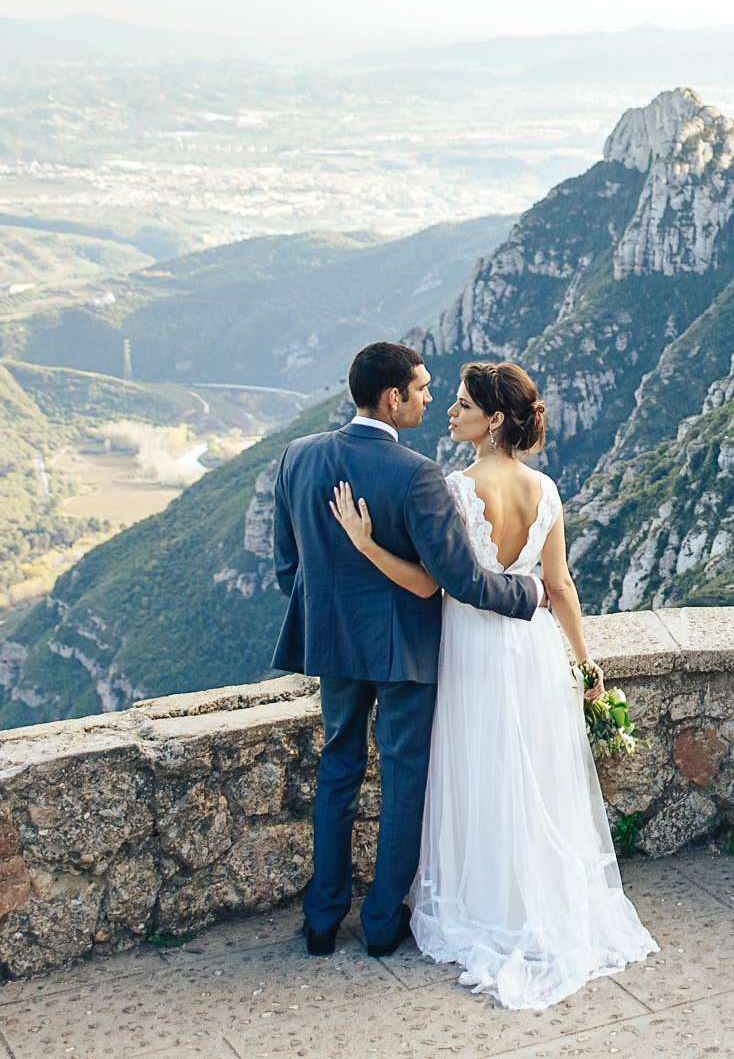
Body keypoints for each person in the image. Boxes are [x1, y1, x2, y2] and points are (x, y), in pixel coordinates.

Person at [327, 358, 657, 1010]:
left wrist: (365, 546)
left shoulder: (453, 488)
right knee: (532, 776)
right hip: (534, 649)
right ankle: (534, 905)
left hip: (471, 648)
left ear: (495, 419)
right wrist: (584, 663)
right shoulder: (547, 490)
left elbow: (428, 584)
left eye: (463, 405)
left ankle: (482, 907)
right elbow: (559, 586)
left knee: (476, 774)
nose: (449, 412)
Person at [270, 342, 549, 960]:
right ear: (392, 397)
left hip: (334, 646)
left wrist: (333, 615)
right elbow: (461, 580)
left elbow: (287, 566)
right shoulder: (417, 474)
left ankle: (322, 919)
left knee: (338, 770)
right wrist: (530, 594)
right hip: (405, 652)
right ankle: (379, 923)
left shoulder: (298, 456)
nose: (430, 398)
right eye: (422, 389)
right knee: (402, 779)